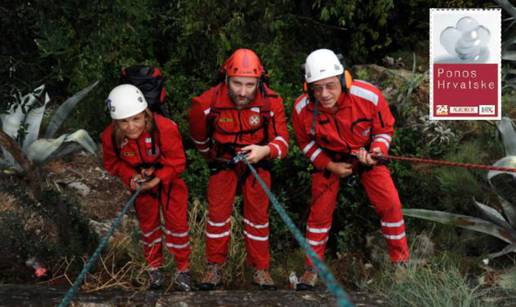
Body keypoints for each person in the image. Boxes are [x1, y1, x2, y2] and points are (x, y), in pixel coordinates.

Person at [292, 49, 410, 290]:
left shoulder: (368, 96)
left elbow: (385, 130)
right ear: (308, 87)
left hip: (366, 156)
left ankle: (401, 264)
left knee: (390, 204)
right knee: (319, 214)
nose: (324, 94)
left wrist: (376, 150)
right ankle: (311, 269)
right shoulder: (302, 108)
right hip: (330, 160)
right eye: (317, 88)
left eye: (330, 86)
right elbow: (305, 143)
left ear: (344, 80)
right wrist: (329, 165)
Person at [189, 48, 289, 290]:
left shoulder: (271, 102)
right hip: (224, 162)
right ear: (226, 78)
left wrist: (264, 151)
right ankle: (214, 268)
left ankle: (260, 269)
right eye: (236, 84)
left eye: (249, 84)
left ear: (259, 81)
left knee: (258, 218)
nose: (243, 92)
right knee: (217, 217)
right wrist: (214, 158)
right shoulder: (205, 104)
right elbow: (199, 140)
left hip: (258, 162)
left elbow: (283, 142)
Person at [101, 84, 192, 291]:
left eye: (136, 119)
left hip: (169, 182)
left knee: (177, 227)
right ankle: (154, 270)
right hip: (141, 187)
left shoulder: (165, 128)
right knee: (149, 228)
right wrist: (130, 177)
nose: (131, 126)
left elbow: (177, 162)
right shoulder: (110, 137)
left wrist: (158, 178)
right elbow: (113, 163)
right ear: (115, 122)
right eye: (124, 121)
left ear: (146, 115)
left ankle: (183, 270)